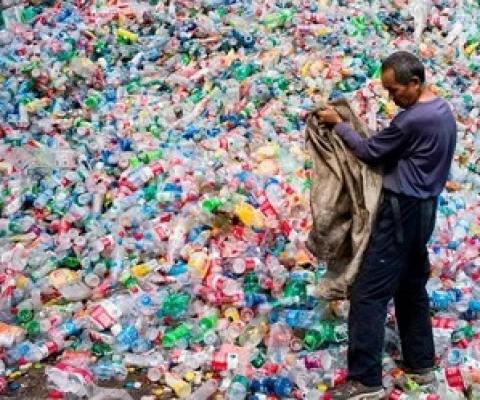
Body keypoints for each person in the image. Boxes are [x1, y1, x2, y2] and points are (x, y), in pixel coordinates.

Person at [317, 51, 457, 399]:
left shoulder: (412, 120)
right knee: (410, 286)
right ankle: (421, 363)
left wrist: (340, 124)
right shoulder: (442, 110)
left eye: (395, 90)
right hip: (425, 209)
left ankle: (365, 381)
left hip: (400, 211)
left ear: (415, 83)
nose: (391, 98)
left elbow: (368, 151)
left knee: (369, 293)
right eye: (386, 90)